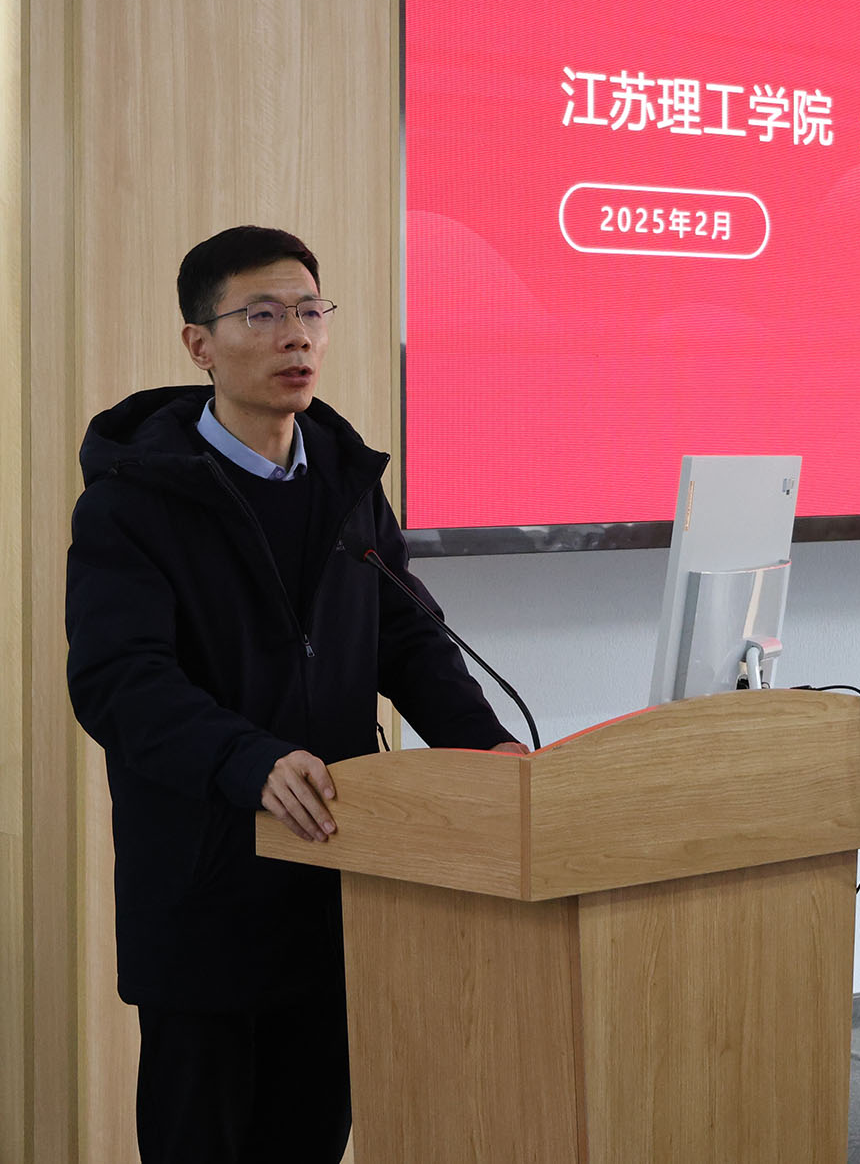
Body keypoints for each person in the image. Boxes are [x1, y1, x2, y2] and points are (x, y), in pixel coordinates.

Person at [65, 225, 524, 1164]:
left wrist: (490, 752)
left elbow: (408, 637)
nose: (297, 335)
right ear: (200, 343)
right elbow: (119, 680)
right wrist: (251, 761)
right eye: (264, 314)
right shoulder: (132, 500)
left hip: (337, 878)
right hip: (207, 889)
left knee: (310, 1139)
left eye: (311, 311)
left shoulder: (346, 484)